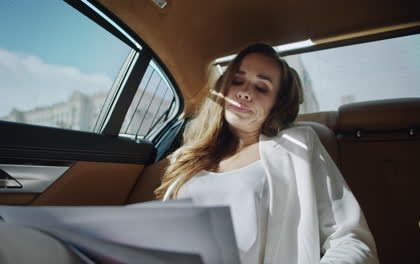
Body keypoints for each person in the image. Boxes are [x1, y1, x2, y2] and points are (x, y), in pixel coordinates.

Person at [154, 43, 379, 264]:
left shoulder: (299, 146)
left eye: (261, 88)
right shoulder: (187, 156)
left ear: (278, 103)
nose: (244, 93)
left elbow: (351, 241)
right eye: (237, 81)